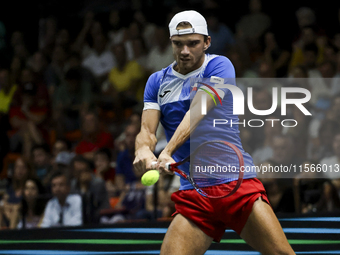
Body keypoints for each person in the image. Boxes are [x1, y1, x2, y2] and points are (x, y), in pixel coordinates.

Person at [133, 10, 294, 254]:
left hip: (235, 184)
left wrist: (166, 151)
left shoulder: (220, 65)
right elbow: (146, 129)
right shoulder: (157, 81)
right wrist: (143, 150)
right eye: (178, 44)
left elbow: (199, 110)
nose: (185, 51)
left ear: (207, 42)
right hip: (194, 191)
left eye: (193, 43)